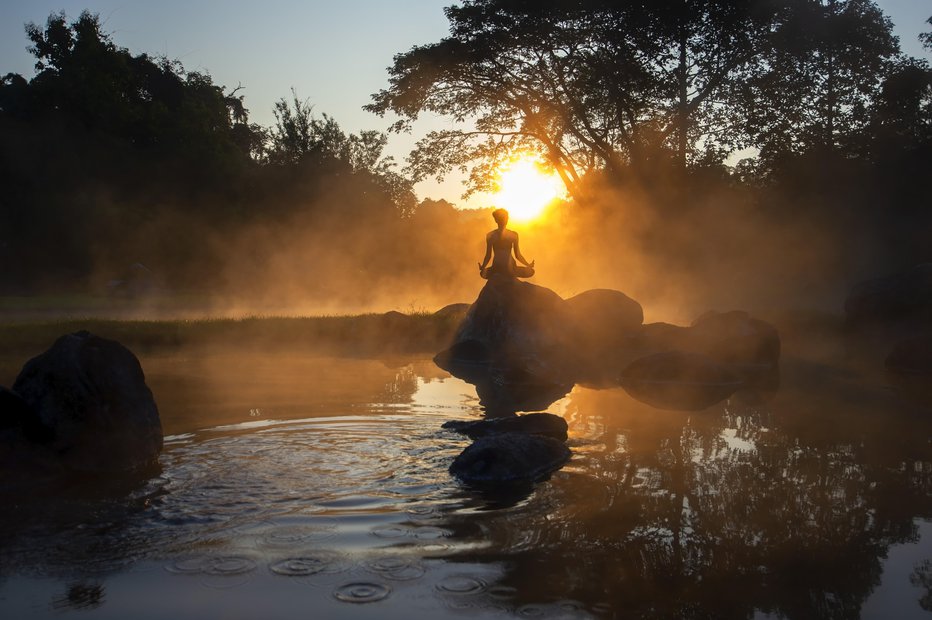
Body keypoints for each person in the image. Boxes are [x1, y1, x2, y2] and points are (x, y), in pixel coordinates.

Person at [478, 208, 535, 279]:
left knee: (531, 271)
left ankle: (513, 271)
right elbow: (488, 255)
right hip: (497, 266)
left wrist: (528, 265)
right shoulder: (490, 236)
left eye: (506, 218)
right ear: (496, 220)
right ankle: (509, 271)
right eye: (502, 218)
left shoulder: (513, 235)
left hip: (511, 266)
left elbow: (517, 255)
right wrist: (483, 266)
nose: (505, 220)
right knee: (482, 273)